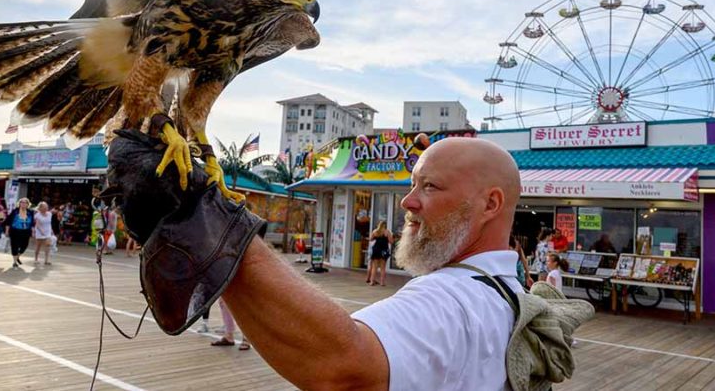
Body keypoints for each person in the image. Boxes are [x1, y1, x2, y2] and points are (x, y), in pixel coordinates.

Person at [218, 137, 524, 390]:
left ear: (490, 204)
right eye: (413, 184)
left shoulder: (449, 298)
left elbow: (339, 368)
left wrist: (222, 236)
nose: (408, 201)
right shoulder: (510, 293)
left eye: (430, 186)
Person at [4, 198, 35, 268]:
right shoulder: (15, 211)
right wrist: (6, 231)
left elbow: (32, 223)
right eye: (22, 202)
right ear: (19, 203)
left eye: (25, 203)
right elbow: (8, 221)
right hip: (15, 231)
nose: (23, 204)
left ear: (28, 204)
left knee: (24, 246)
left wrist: (33, 232)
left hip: (26, 231)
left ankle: (17, 256)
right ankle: (15, 262)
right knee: (14, 246)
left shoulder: (30, 212)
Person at [365, 221, 393, 286]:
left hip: (376, 249)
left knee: (374, 267)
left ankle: (372, 281)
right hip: (384, 250)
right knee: (383, 268)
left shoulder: (375, 231)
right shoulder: (387, 232)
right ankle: (382, 282)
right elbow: (391, 241)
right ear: (385, 225)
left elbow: (371, 239)